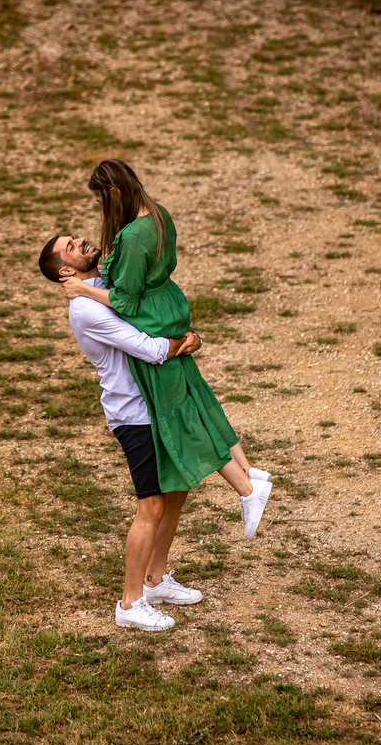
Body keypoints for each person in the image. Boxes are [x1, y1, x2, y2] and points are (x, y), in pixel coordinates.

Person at [62, 159, 272, 536]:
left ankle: (246, 488)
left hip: (152, 322)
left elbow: (125, 301)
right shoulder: (159, 215)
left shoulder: (131, 236)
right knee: (199, 400)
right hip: (169, 308)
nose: (99, 207)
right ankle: (248, 471)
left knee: (182, 417)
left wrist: (82, 289)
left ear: (115, 193)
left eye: (100, 199)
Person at [38, 233, 205, 631]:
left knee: (177, 491)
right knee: (151, 506)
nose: (82, 240)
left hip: (157, 404)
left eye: (76, 237)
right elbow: (149, 348)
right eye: (71, 246)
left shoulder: (110, 285)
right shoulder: (86, 310)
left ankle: (155, 580)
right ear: (66, 272)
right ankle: (129, 603)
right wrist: (186, 341)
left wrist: (188, 337)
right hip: (134, 415)